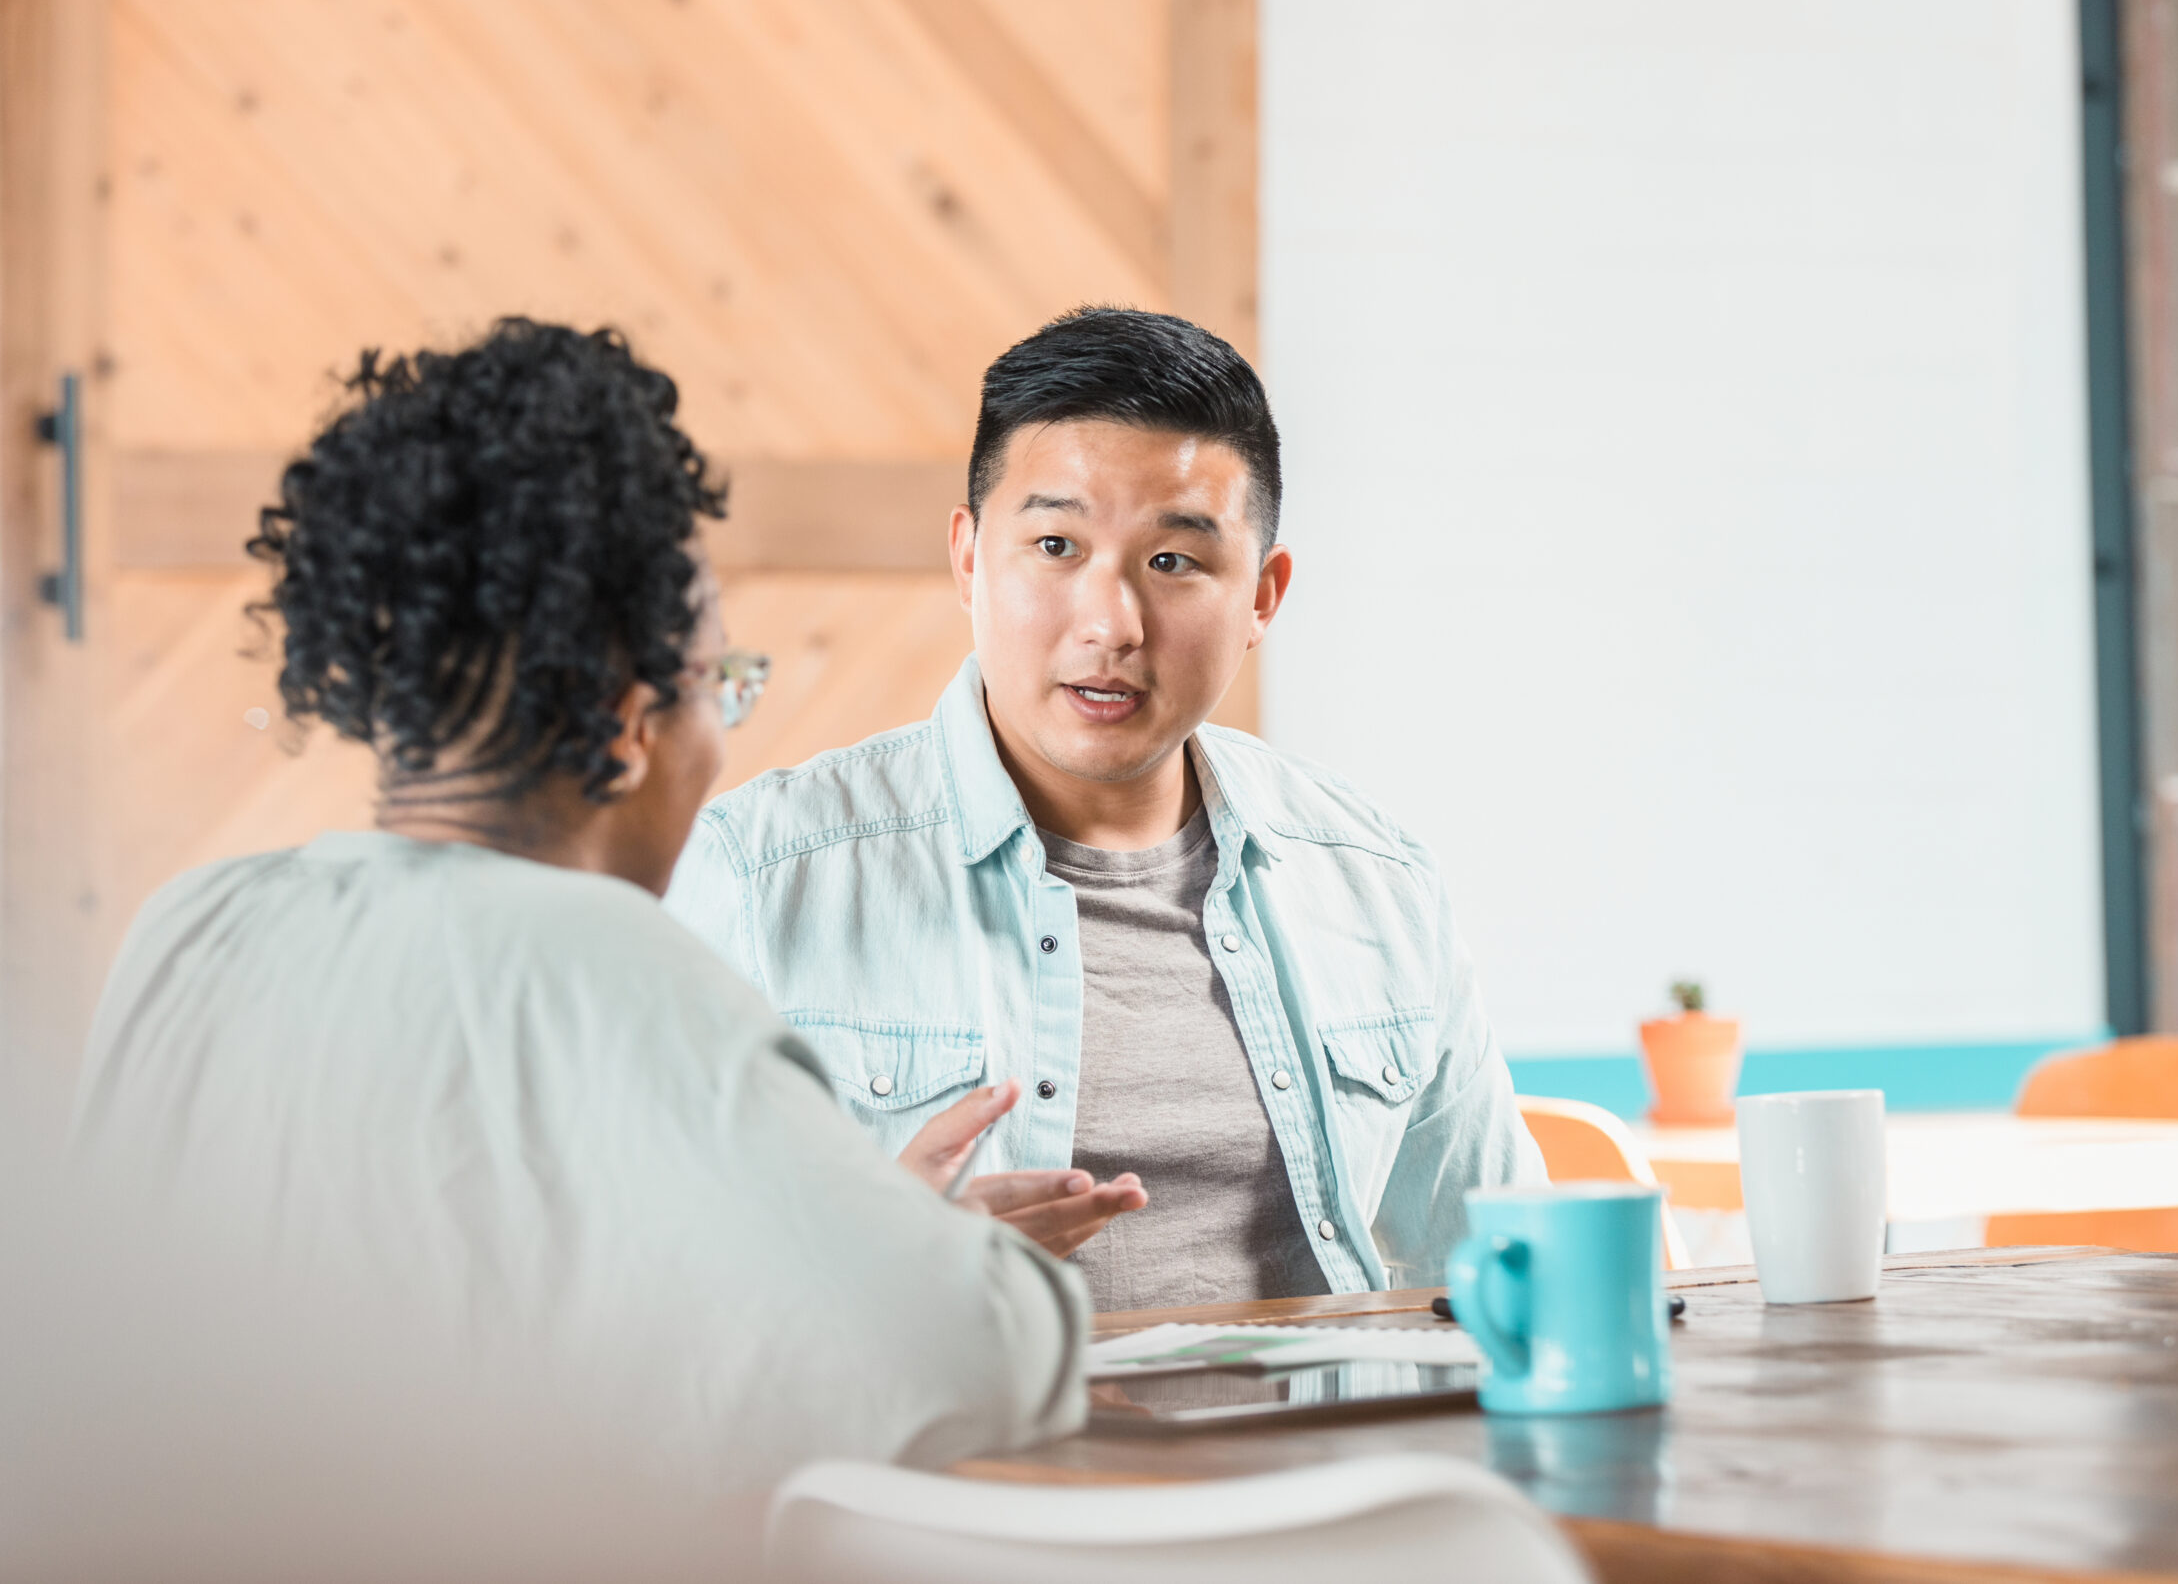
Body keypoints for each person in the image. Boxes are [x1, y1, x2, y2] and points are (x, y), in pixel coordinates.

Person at [72, 319, 1092, 1488]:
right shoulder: (621, 967)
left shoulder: (196, 927)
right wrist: (923, 1250)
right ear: (628, 718)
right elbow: (976, 1358)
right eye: (721, 681)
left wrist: (847, 1236)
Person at [665, 306, 1544, 1314]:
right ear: (967, 560)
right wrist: (879, 1265)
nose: (1111, 624)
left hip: (1325, 1463)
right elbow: (625, 1294)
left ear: (1262, 595)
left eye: (1174, 562)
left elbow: (1509, 1264)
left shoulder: (1372, 881)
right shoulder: (759, 876)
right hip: (957, 1466)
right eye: (1054, 545)